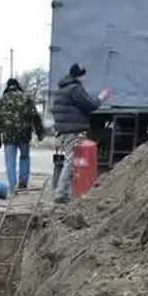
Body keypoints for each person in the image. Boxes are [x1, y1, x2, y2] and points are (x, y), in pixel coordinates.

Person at [49, 63, 109, 204]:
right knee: (71, 161)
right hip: (72, 130)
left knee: (71, 160)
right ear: (80, 75)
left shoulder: (62, 88)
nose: (85, 79)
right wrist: (101, 97)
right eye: (84, 75)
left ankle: (67, 192)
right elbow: (91, 105)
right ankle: (61, 193)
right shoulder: (75, 89)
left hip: (63, 130)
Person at [0, 78, 44, 192]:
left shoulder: (1, 101)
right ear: (17, 85)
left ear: (7, 86)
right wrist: (40, 133)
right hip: (24, 135)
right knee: (24, 157)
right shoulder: (26, 98)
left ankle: (12, 186)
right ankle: (23, 183)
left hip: (8, 136)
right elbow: (35, 116)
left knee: (10, 161)